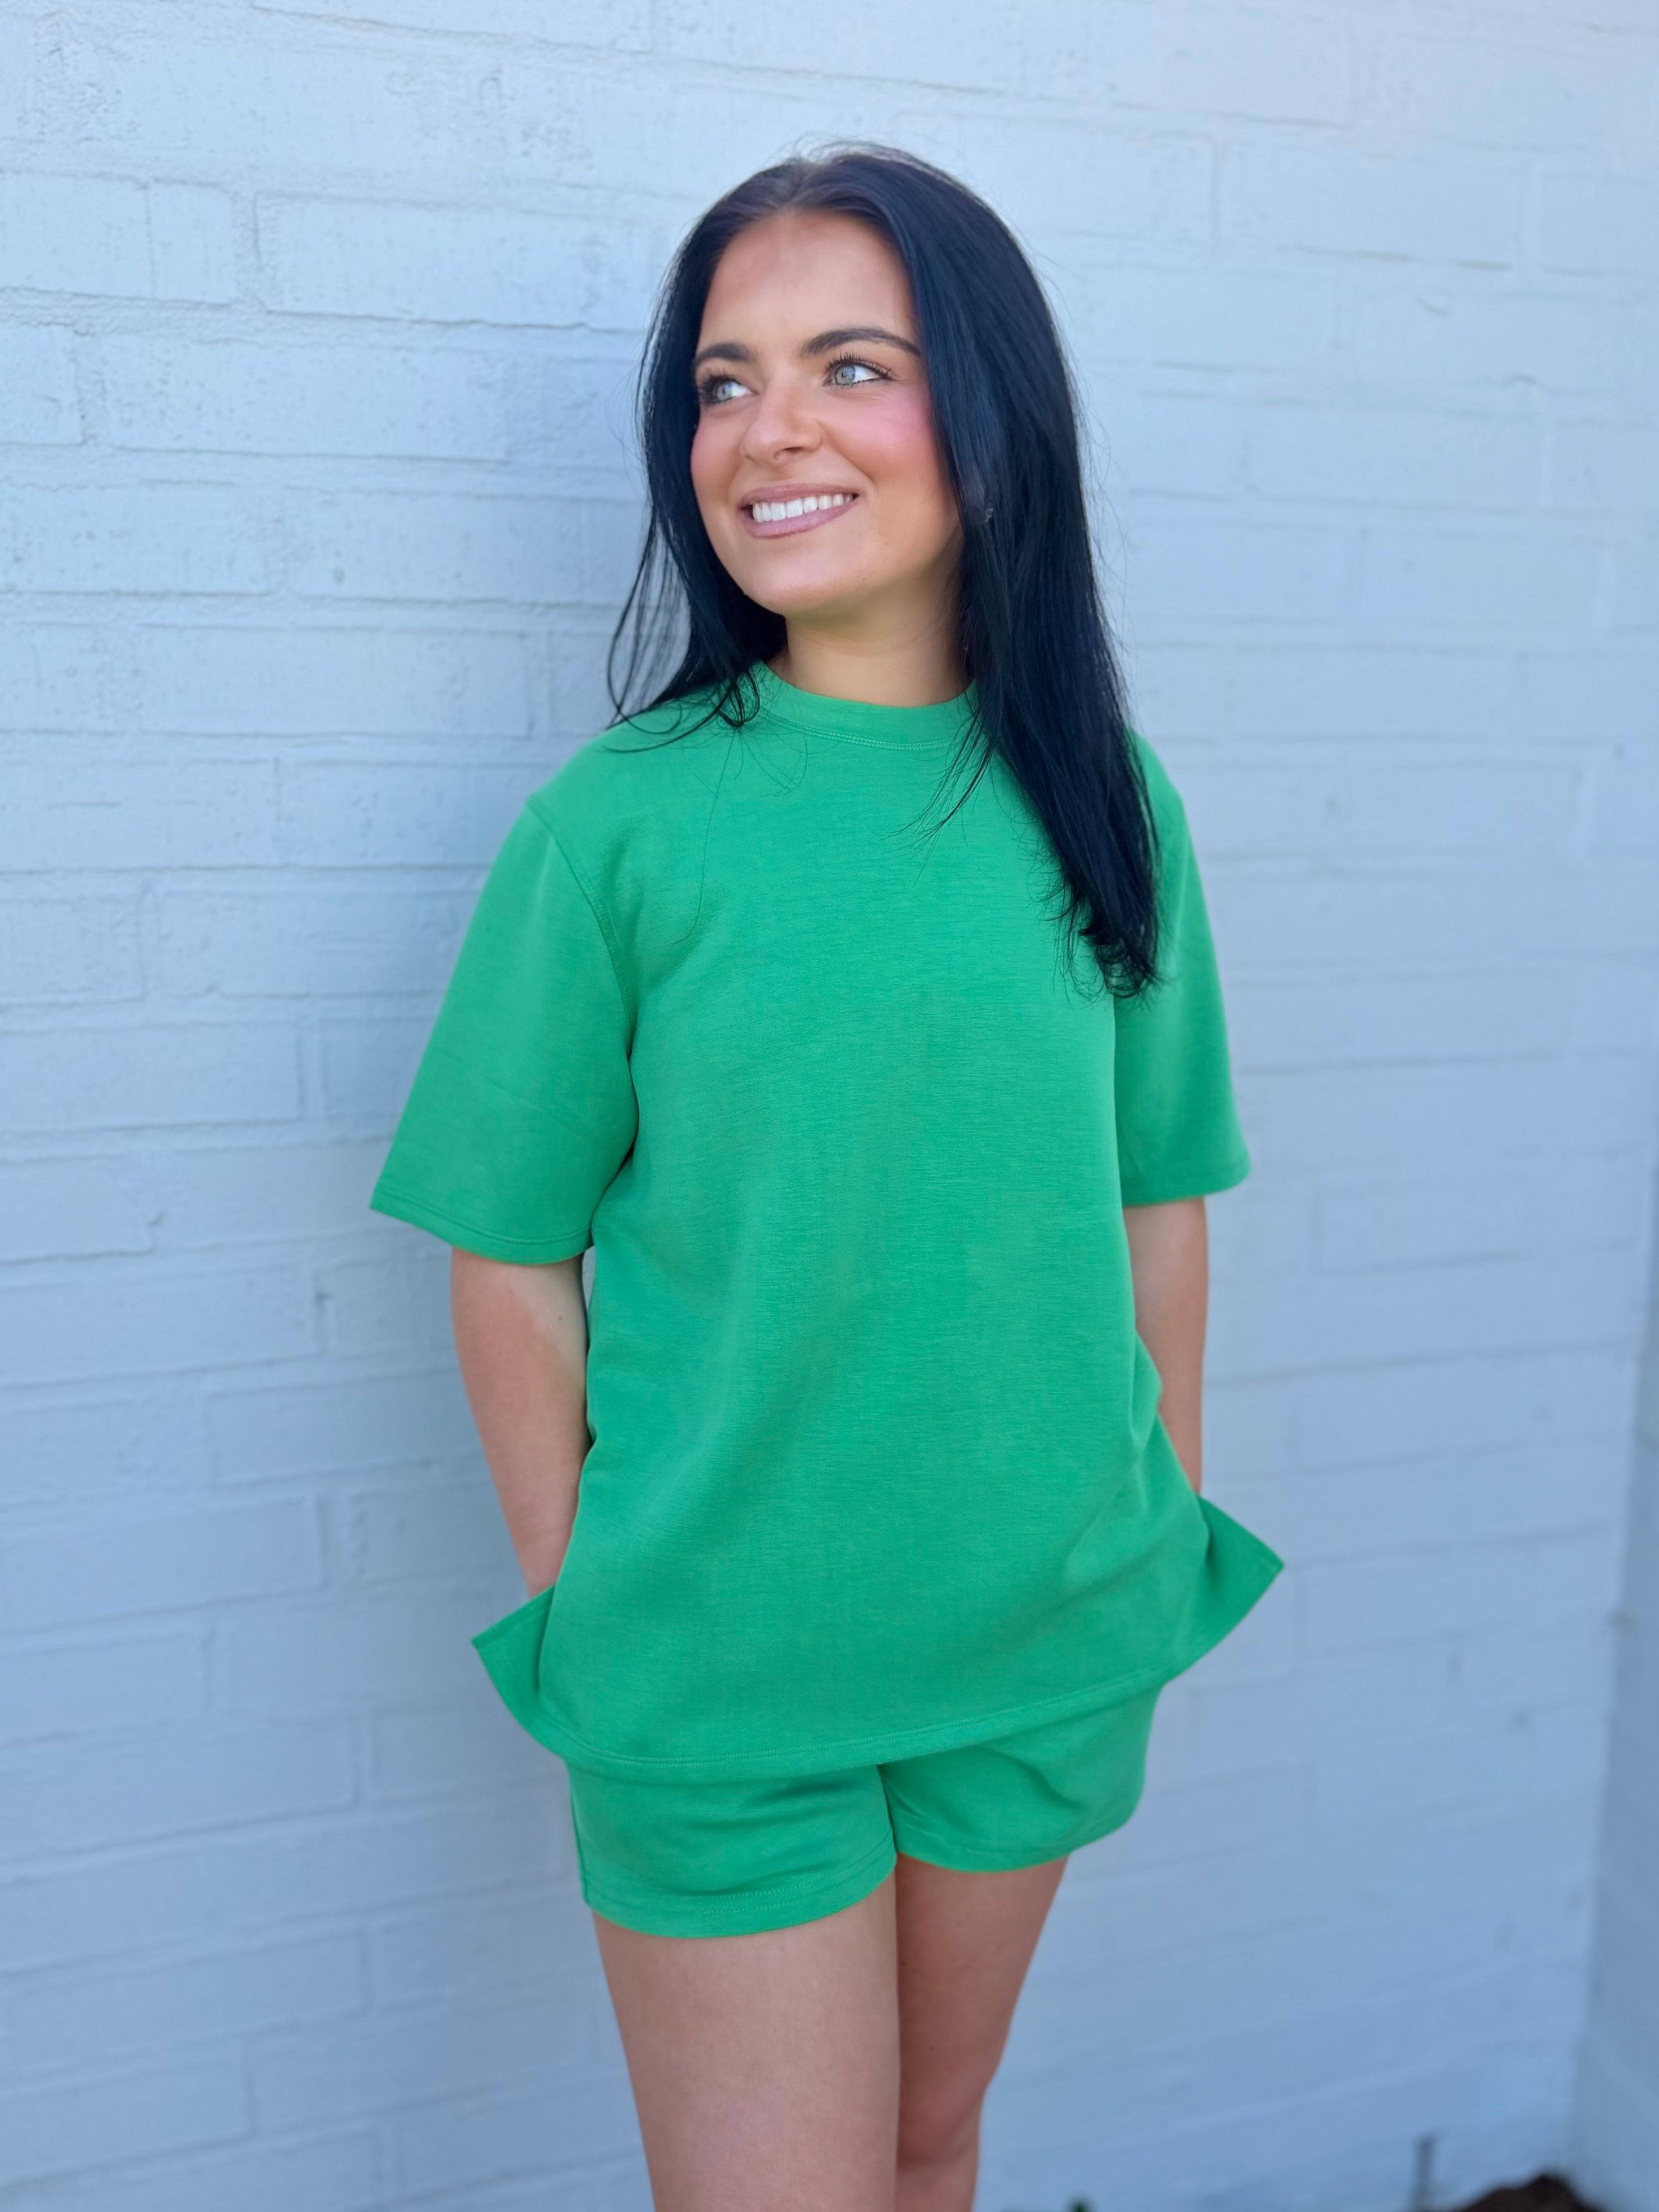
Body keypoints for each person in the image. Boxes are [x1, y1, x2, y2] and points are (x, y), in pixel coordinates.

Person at [369, 143, 1284, 2212]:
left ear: (989, 415)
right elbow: (505, 1255)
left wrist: (1153, 1521)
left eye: (848, 365)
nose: (766, 427)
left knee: (928, 2151)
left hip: (1045, 1638)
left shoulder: (1106, 800)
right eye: (723, 381)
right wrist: (589, 1597)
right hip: (718, 1679)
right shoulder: (618, 828)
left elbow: (1155, 1199)